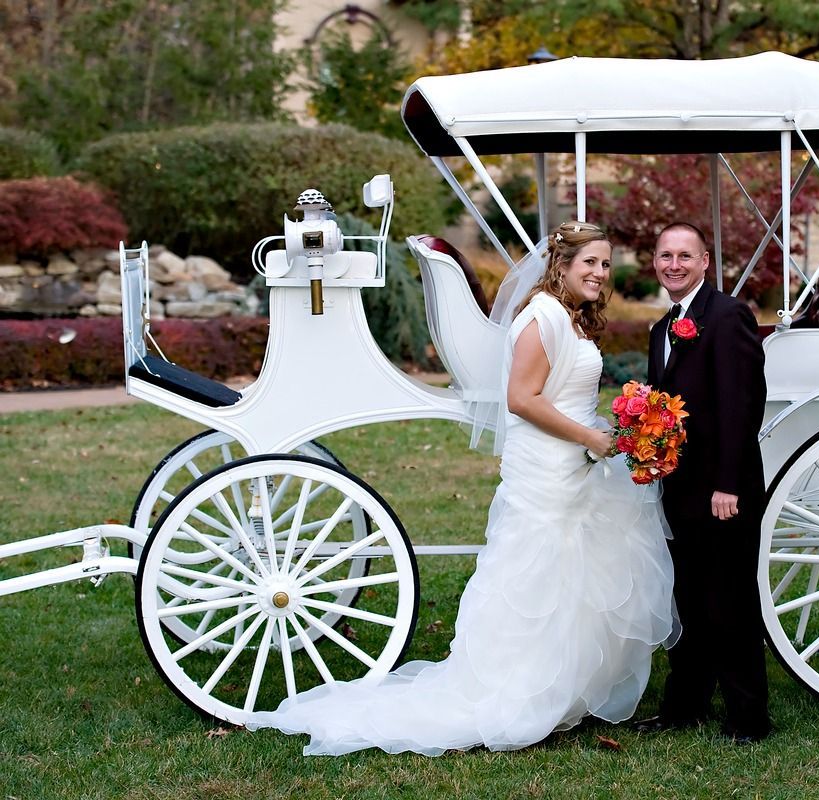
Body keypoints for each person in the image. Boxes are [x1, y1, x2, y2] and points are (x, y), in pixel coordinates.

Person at [248, 222, 676, 756]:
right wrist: (592, 437)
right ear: (561, 265)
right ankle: (516, 690)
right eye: (589, 262)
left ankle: (562, 687)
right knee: (533, 580)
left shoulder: (570, 318)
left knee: (570, 578)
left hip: (574, 463)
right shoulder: (540, 317)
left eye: (606, 264)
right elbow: (521, 399)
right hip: (548, 465)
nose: (599, 273)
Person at [639, 221, 771, 743]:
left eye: (685, 256)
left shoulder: (728, 316)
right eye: (665, 255)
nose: (674, 264)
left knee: (730, 600)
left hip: (723, 491)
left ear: (705, 262)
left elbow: (742, 406)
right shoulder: (661, 329)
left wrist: (728, 485)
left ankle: (748, 718)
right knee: (689, 600)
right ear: (655, 261)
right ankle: (684, 707)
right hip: (680, 489)